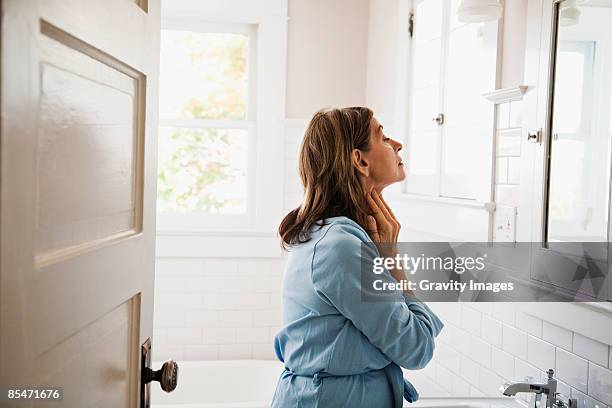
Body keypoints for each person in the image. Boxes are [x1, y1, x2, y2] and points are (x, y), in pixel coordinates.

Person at [271, 107, 444, 407]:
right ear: (360, 160)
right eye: (384, 137)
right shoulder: (341, 248)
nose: (398, 145)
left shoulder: (329, 236)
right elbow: (416, 347)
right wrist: (392, 264)